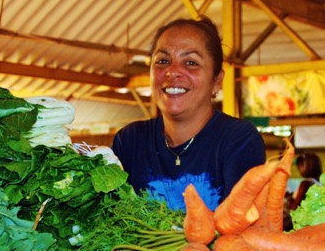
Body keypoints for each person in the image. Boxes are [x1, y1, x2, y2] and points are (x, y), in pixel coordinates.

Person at [111, 17, 266, 211]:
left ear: (217, 81)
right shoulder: (129, 141)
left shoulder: (238, 140)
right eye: (162, 61)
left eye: (191, 62)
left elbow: (240, 225)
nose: (172, 71)